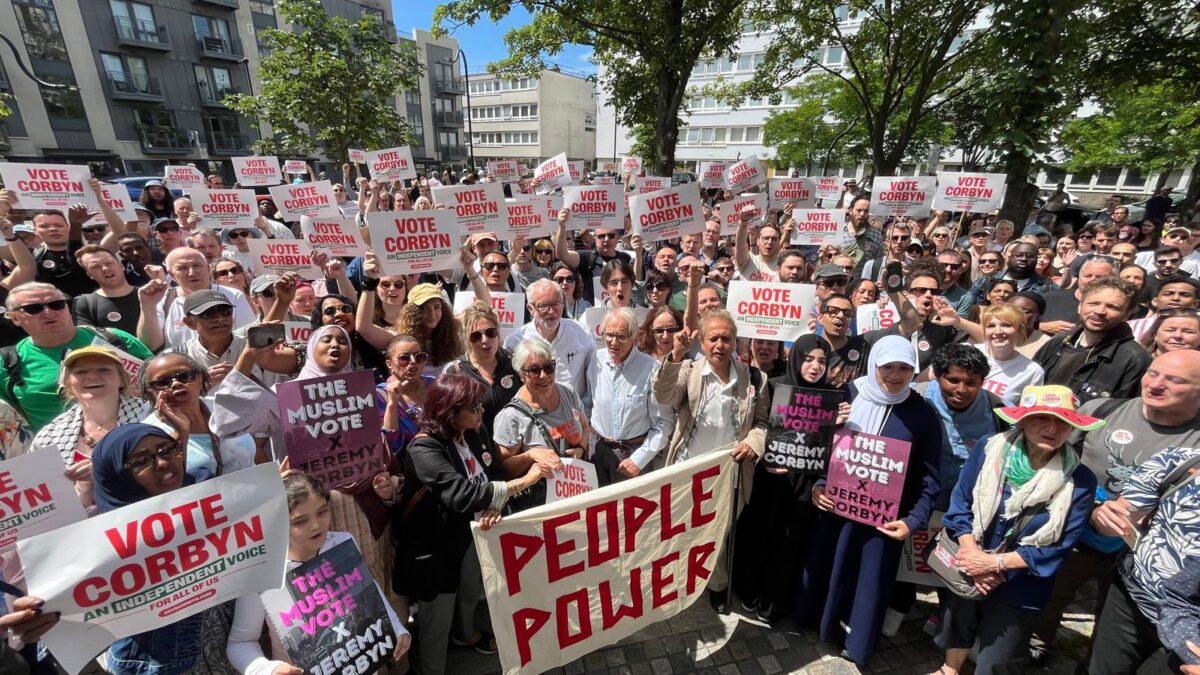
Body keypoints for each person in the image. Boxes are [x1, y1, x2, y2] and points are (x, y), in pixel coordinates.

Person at [1031, 350, 1200, 662]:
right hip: (1077, 535)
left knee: (1113, 629)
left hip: (1139, 555)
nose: (1157, 384)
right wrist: (1094, 506)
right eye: (1153, 373)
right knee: (1049, 598)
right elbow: (1050, 463)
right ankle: (1039, 645)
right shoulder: (1101, 410)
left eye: (1174, 380)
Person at [932, 385, 1100, 675]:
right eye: (1041, 418)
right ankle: (950, 669)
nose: (1053, 428)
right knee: (959, 621)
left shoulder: (1080, 480)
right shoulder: (989, 448)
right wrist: (971, 553)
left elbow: (1058, 545)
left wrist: (993, 564)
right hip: (968, 561)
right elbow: (961, 502)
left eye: (1063, 421)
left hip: (1023, 581)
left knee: (1000, 657)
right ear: (1021, 420)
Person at [800, 336, 941, 665]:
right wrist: (819, 485)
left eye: (904, 368)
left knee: (869, 584)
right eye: (887, 367)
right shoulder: (849, 394)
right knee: (830, 569)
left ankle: (857, 642)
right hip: (837, 510)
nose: (895, 375)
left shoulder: (922, 415)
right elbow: (823, 449)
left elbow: (930, 477)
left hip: (883, 521)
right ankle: (822, 628)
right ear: (873, 364)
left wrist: (913, 520)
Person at [395, 374, 544, 673]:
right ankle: (432, 668)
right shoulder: (424, 448)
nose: (481, 411)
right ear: (450, 412)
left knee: (470, 588)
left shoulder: (475, 431)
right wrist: (525, 480)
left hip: (472, 533)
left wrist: (495, 503)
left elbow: (493, 473)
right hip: (435, 546)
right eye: (473, 406)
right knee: (438, 613)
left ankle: (466, 635)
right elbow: (461, 494)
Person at [227, 473, 411, 675]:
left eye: (322, 512)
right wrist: (266, 669)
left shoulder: (343, 543)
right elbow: (240, 643)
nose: (315, 525)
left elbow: (370, 592)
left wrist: (395, 626)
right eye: (300, 521)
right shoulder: (262, 574)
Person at [652, 310, 768, 611]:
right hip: (687, 471)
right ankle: (678, 582)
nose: (720, 345)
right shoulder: (688, 371)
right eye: (712, 338)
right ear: (701, 342)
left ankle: (716, 585)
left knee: (718, 534)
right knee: (682, 530)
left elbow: (762, 423)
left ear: (735, 341)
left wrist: (752, 443)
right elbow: (663, 395)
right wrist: (675, 356)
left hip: (729, 475)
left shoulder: (754, 378)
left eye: (726, 338)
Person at [91, 423, 229, 673]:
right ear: (116, 475)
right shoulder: (101, 547)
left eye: (168, 449)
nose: (163, 463)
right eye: (141, 460)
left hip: (226, 652)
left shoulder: (206, 493)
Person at [734, 335, 848, 623]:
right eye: (809, 358)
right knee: (760, 537)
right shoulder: (774, 386)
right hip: (770, 480)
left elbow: (830, 447)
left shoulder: (832, 397)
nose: (815, 366)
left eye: (822, 361)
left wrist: (834, 422)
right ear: (797, 357)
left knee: (789, 545)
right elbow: (761, 428)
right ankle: (749, 592)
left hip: (804, 483)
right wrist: (768, 456)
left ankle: (775, 602)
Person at [1086, 443, 1200, 674]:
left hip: (1191, 637)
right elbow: (1121, 519)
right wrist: (1100, 515)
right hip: (1133, 601)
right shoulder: (1178, 461)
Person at [0, 282, 151, 432]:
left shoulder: (115, 338)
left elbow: (161, 380)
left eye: (57, 304)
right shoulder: (7, 362)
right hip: (60, 449)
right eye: (34, 308)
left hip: (138, 436)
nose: (48, 312)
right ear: (15, 318)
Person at [26, 346, 151, 514]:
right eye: (80, 372)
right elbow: (41, 507)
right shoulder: (49, 437)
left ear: (122, 379)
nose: (92, 376)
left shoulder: (151, 416)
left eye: (104, 369)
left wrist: (105, 471)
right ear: (68, 383)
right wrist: (83, 491)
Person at [493, 336, 590, 509]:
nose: (543, 375)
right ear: (522, 375)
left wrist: (581, 449)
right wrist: (531, 455)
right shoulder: (511, 416)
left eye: (548, 367)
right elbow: (504, 467)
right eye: (534, 370)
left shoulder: (568, 392)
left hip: (575, 493)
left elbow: (584, 426)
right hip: (540, 503)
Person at [140, 351, 263, 476]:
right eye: (163, 382)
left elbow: (252, 456)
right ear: (150, 391)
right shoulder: (148, 434)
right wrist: (181, 434)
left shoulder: (223, 407)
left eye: (185, 376)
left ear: (200, 378)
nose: (176, 384)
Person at [585, 308, 670, 484]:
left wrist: (639, 459)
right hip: (598, 453)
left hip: (634, 456)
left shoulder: (651, 369)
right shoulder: (596, 360)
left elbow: (663, 424)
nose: (614, 342)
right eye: (609, 335)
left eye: (621, 336)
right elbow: (588, 405)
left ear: (634, 336)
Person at [1034, 276, 1151, 402]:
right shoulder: (1058, 342)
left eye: (1112, 307)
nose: (1100, 311)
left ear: (1127, 315)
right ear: (1080, 307)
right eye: (1093, 303)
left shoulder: (1135, 360)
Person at [923, 344, 1010, 511]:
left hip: (968, 505)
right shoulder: (917, 398)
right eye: (953, 381)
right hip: (920, 498)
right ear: (938, 376)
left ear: (982, 382)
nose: (961, 390)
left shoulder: (999, 411)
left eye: (971, 383)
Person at [138, 247, 255, 351]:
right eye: (183, 268)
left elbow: (248, 340)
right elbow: (150, 345)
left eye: (197, 266)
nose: (191, 272)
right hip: (184, 373)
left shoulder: (233, 296)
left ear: (208, 269)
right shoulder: (163, 299)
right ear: (172, 275)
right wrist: (148, 307)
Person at [503, 279, 594, 396]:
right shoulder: (515, 342)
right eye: (544, 306)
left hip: (575, 410)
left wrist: (584, 409)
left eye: (556, 304)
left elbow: (593, 376)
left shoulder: (582, 332)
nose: (551, 312)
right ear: (530, 309)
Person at [554, 208, 631, 302]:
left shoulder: (626, 258)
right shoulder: (588, 258)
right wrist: (562, 226)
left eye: (611, 236)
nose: (606, 239)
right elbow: (562, 255)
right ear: (595, 239)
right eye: (601, 236)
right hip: (594, 314)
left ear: (618, 237)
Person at [975, 304, 1044, 404]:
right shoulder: (967, 351)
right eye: (991, 326)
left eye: (1006, 325)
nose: (998, 331)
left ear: (1020, 330)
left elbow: (1027, 413)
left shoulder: (1032, 371)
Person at [393, 282, 463, 372]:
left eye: (437, 307)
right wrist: (370, 283)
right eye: (425, 308)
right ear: (412, 313)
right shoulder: (400, 339)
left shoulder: (451, 332)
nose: (432, 314)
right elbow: (368, 329)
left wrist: (471, 273)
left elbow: (482, 309)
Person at [72, 245, 140, 335]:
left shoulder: (148, 294)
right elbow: (87, 339)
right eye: (95, 267)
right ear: (90, 275)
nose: (105, 269)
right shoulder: (84, 302)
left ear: (121, 266)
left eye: (108, 263)